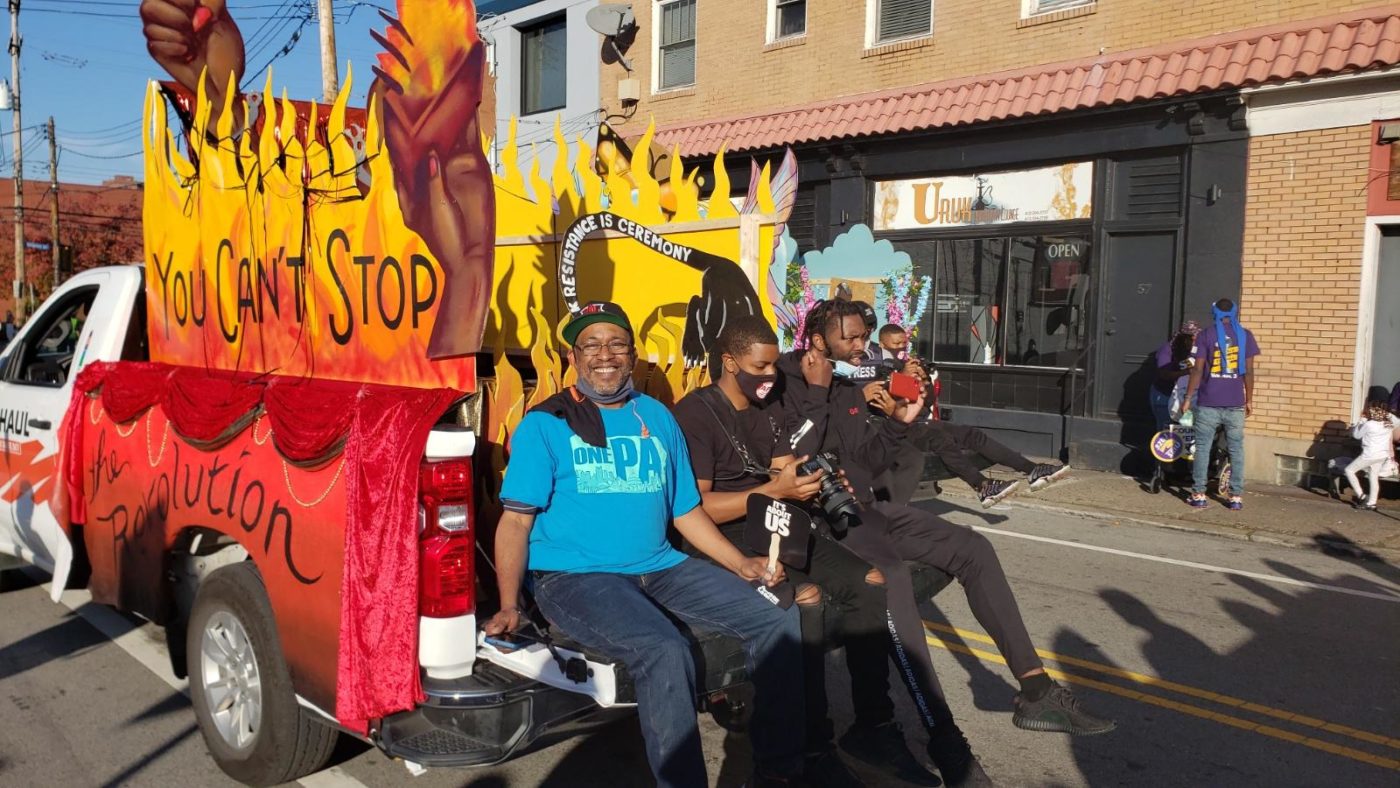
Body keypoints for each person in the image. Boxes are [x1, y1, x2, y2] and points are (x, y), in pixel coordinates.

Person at [483, 302, 805, 788]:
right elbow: (514, 521)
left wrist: (741, 564)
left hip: (660, 567)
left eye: (616, 343)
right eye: (591, 344)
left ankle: (779, 769)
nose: (604, 354)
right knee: (662, 648)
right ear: (574, 357)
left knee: (777, 613)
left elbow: (685, 511)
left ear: (632, 354)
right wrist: (509, 604)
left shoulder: (655, 416)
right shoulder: (547, 423)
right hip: (576, 577)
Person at [777, 299, 1116, 758]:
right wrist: (819, 394)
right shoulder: (785, 382)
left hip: (866, 509)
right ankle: (943, 734)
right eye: (850, 339)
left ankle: (1036, 690)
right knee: (893, 577)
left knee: (973, 547)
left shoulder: (850, 385)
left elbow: (871, 464)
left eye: (863, 337)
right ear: (818, 341)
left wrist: (898, 423)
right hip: (823, 523)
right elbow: (791, 458)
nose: (861, 347)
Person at [674, 315, 952, 787]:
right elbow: (698, 510)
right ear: (728, 362)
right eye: (758, 368)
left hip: (775, 523)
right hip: (720, 540)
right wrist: (778, 489)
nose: (767, 378)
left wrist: (809, 481)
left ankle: (873, 725)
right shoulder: (696, 414)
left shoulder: (771, 406)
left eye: (771, 369)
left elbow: (785, 468)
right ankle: (811, 746)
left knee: (871, 583)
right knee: (808, 601)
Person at [1181, 298, 1260, 510]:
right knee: (1236, 450)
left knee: (1203, 449)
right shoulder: (1245, 335)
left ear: (1213, 312)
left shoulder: (1206, 335)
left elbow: (1197, 369)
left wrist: (1188, 398)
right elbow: (1249, 371)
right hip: (1235, 403)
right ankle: (1235, 497)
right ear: (1235, 312)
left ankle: (1198, 494)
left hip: (1209, 402)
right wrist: (1249, 399)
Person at [1344, 400, 1399, 511]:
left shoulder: (1369, 424)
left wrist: (1360, 422)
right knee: (1373, 477)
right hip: (1382, 455)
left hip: (1369, 455)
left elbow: (1356, 436)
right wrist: (1387, 414)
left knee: (1348, 470)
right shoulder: (1388, 424)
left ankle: (1362, 496)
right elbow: (1397, 421)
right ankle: (1372, 503)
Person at [1150, 320, 1201, 430]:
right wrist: (1187, 372)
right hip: (1165, 393)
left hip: (1185, 396)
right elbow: (1164, 374)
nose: (1194, 340)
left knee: (1186, 431)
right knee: (1166, 430)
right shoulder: (1168, 349)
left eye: (1196, 337)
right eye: (1191, 338)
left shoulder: (1196, 350)